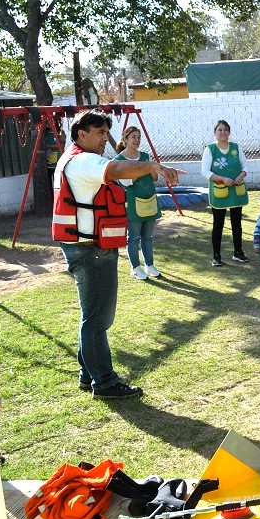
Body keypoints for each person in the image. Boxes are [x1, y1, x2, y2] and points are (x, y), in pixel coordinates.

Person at [53, 109, 184, 399]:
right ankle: (105, 382)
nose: (104, 138)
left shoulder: (71, 159)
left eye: (105, 132)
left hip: (88, 248)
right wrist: (155, 167)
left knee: (92, 316)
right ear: (81, 134)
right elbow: (114, 170)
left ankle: (89, 374)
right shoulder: (84, 160)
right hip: (91, 251)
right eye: (99, 132)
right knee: (98, 320)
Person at [114, 126, 162, 280]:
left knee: (147, 236)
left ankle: (150, 265)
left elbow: (155, 178)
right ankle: (135, 267)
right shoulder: (118, 161)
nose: (136, 140)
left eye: (139, 137)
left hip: (149, 201)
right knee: (134, 237)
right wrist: (142, 169)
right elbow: (125, 182)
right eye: (133, 137)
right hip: (133, 204)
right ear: (125, 139)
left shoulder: (146, 156)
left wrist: (152, 167)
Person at [202, 120, 249, 267]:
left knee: (237, 222)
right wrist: (222, 179)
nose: (223, 132)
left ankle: (238, 252)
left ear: (229, 132)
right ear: (215, 133)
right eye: (220, 130)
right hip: (219, 191)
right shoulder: (210, 149)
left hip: (236, 190)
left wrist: (240, 176)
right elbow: (205, 171)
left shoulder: (236, 147)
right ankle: (216, 255)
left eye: (225, 130)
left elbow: (245, 166)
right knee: (218, 223)